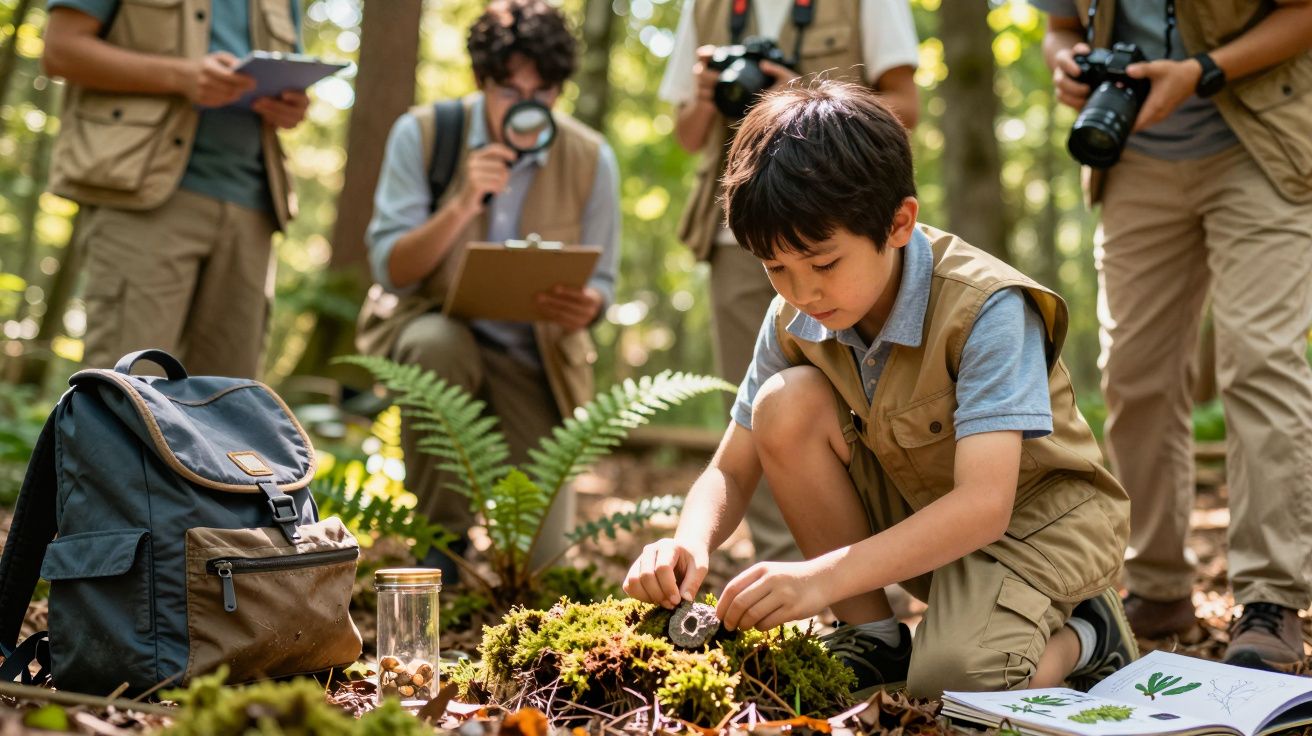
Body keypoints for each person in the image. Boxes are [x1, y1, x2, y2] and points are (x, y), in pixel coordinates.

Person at [624, 81, 1135, 698]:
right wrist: (688, 543)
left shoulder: (987, 308)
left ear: (898, 223)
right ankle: (873, 637)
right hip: (928, 519)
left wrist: (819, 578)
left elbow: (985, 504)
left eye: (824, 263)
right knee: (783, 403)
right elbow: (732, 468)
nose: (802, 291)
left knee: (955, 684)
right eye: (775, 268)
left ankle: (1092, 632)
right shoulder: (796, 314)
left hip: (1039, 532)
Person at [1031, 0, 1312, 669]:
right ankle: (1156, 587)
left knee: (1261, 360)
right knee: (1134, 373)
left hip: (1259, 145)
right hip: (1131, 158)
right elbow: (1059, 27)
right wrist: (1068, 64)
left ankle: (1271, 599)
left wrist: (1200, 70)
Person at [357, 0, 620, 581]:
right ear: (481, 82)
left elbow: (603, 281)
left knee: (542, 567)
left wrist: (589, 306)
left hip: (534, 361)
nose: (528, 105)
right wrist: (460, 204)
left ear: (559, 90)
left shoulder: (590, 159)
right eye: (510, 90)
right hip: (441, 337)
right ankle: (443, 545)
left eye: (543, 91)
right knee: (434, 345)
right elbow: (392, 270)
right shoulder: (426, 135)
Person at [659, 0, 920, 565]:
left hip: (837, 220)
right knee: (760, 404)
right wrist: (708, 96)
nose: (802, 292)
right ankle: (784, 566)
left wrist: (804, 108)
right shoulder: (706, 8)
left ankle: (863, 564)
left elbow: (908, 104)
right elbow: (686, 134)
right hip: (746, 232)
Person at [42, 0, 308, 377]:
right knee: (131, 391)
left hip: (254, 208)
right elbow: (61, 50)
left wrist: (291, 106)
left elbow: (289, 74)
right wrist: (181, 76)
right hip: (144, 197)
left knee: (230, 402)